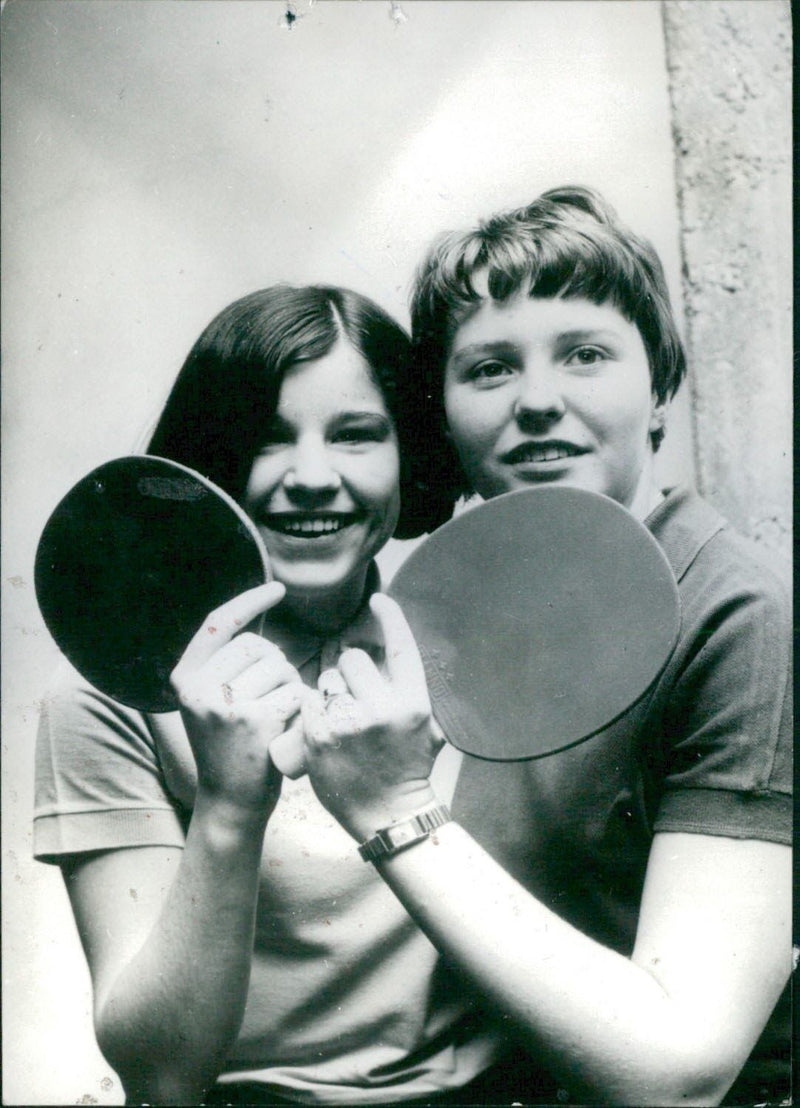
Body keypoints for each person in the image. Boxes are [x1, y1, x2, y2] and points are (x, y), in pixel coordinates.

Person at [293, 188, 793, 1107]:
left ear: (658, 395)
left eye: (586, 355)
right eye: (488, 369)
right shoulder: (460, 604)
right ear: (440, 417)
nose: (536, 402)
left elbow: (679, 1070)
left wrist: (393, 810)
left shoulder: (738, 614)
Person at [34, 284, 498, 1107]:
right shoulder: (113, 695)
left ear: (410, 454)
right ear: (204, 459)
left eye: (356, 435)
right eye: (264, 441)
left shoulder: (492, 646)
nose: (311, 479)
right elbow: (159, 1075)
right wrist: (227, 806)